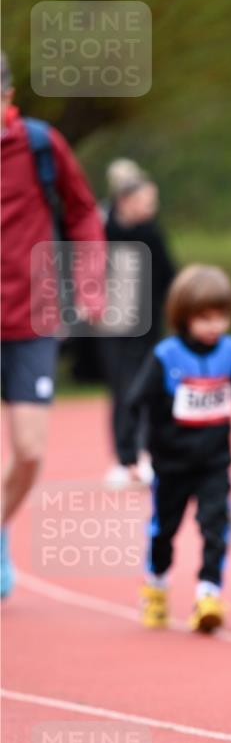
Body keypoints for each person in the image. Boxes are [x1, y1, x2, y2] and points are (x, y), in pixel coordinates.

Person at [1, 51, 105, 598]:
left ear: (7, 99)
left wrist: (88, 281)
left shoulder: (41, 145)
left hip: (32, 316)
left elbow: (84, 210)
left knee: (31, 448)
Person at [123, 264, 231, 633]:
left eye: (221, 316)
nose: (214, 326)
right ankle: (155, 586)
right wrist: (131, 452)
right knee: (165, 531)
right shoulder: (166, 356)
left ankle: (209, 594)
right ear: (184, 316)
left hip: (213, 463)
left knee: (215, 526)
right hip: (170, 464)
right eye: (205, 318)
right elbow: (136, 403)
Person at [98, 159, 176, 487]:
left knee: (146, 389)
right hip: (112, 325)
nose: (151, 207)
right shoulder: (102, 230)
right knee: (121, 391)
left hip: (147, 328)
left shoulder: (152, 233)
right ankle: (122, 456)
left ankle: (145, 455)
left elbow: (170, 278)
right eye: (147, 201)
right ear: (125, 201)